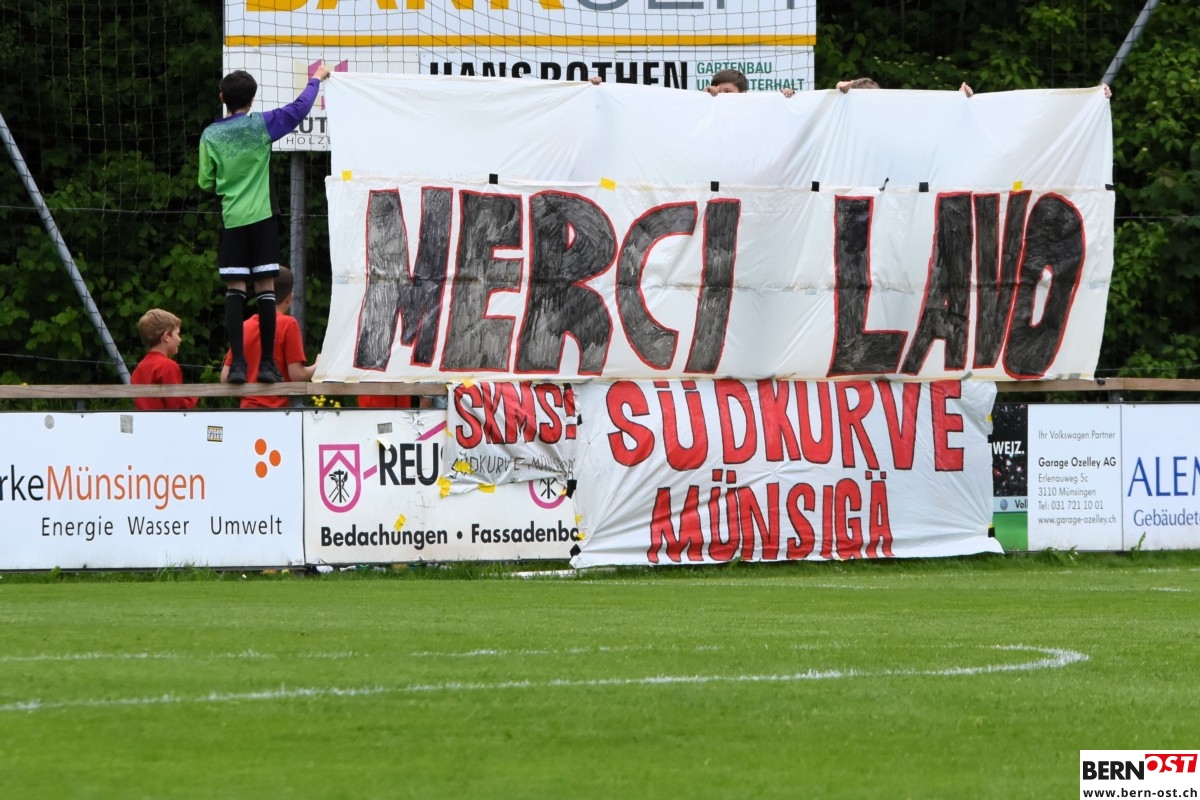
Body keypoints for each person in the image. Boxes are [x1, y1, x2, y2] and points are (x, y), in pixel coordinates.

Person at [199, 63, 331, 386]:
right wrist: (315, 80)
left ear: (222, 98)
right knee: (266, 290)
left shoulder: (211, 135)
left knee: (235, 290)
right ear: (252, 100)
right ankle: (268, 365)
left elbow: (205, 182)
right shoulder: (261, 125)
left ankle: (238, 365)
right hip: (262, 218)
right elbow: (298, 110)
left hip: (232, 219)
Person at [220, 266, 316, 408]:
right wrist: (318, 366)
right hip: (276, 411)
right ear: (289, 298)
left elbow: (225, 377)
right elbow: (297, 375)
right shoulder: (288, 324)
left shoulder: (244, 326)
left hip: (246, 410)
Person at [131, 309, 198, 411]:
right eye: (177, 334)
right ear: (166, 336)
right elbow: (176, 406)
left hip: (142, 419)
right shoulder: (168, 366)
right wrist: (192, 398)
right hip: (163, 420)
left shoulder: (140, 367)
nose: (180, 339)